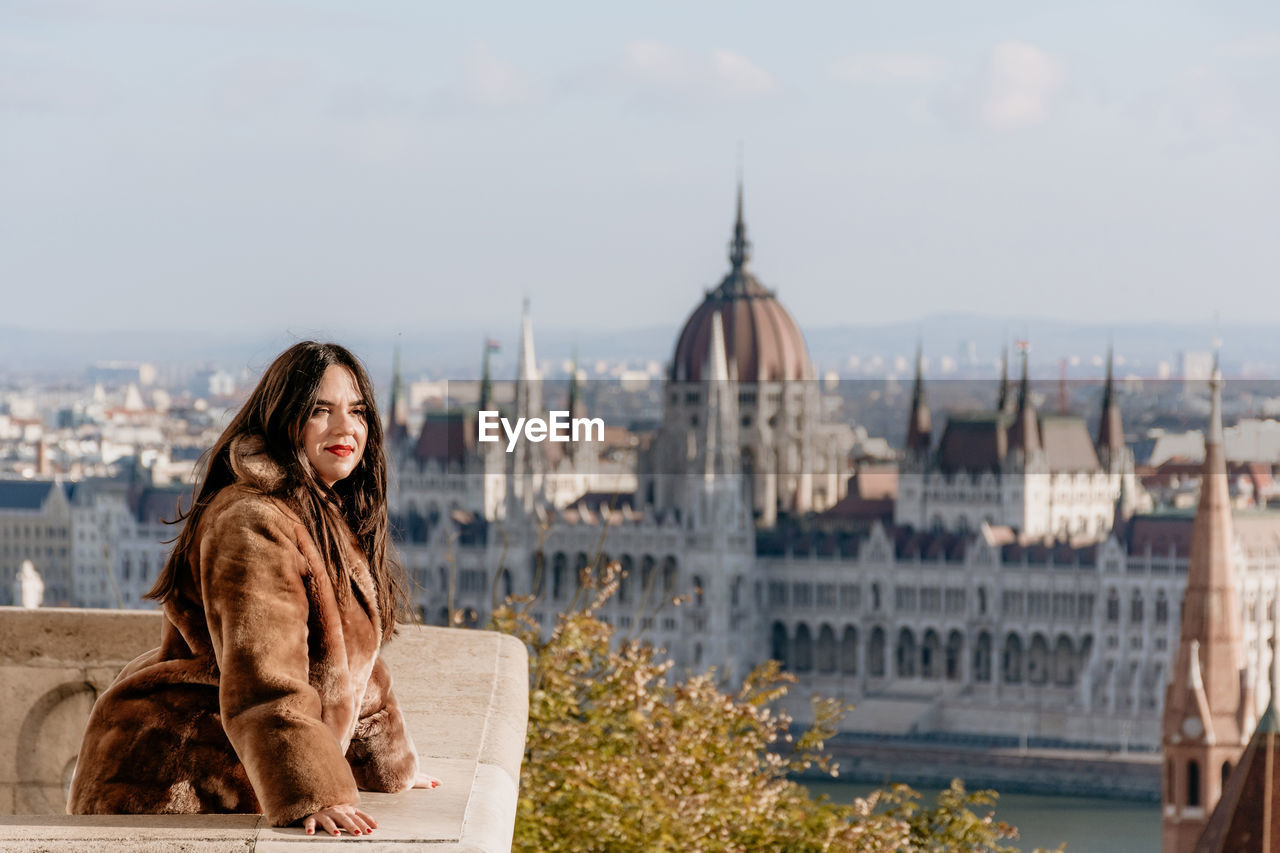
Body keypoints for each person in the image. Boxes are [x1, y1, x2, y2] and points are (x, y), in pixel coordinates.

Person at [68, 341, 437, 837]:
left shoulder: (317, 513)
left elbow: (344, 666)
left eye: (357, 411)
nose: (345, 427)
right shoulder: (252, 519)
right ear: (284, 420)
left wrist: (386, 768)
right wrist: (314, 790)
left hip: (229, 777)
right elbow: (263, 677)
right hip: (173, 780)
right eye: (319, 411)